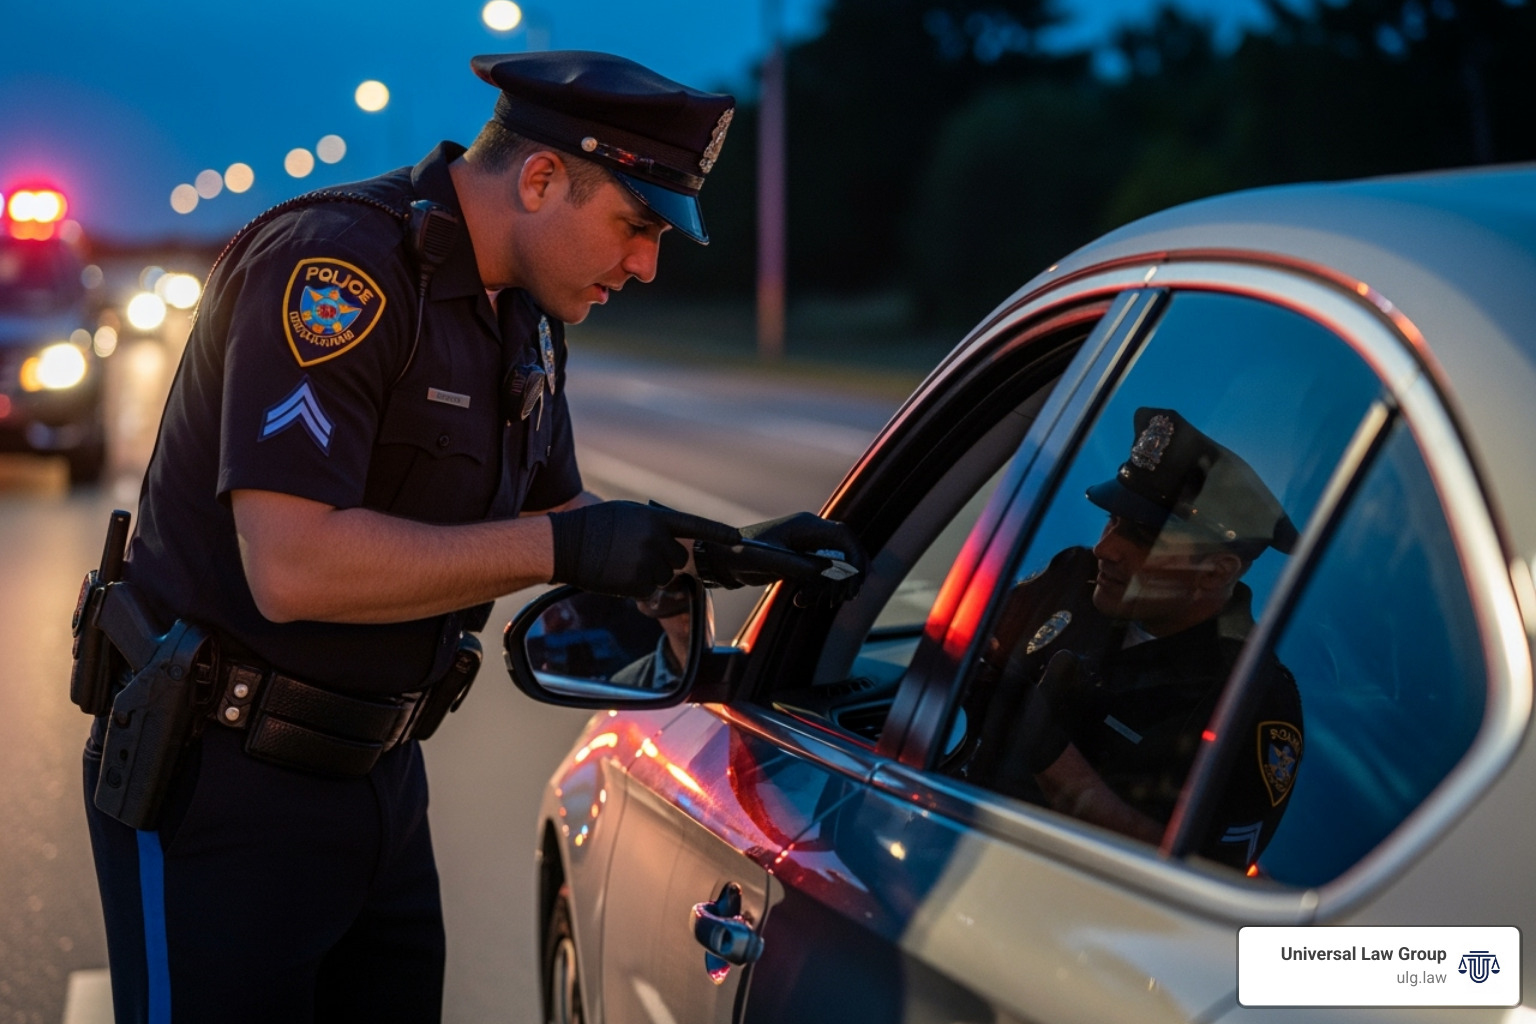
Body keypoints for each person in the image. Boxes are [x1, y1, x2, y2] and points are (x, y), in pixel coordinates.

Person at [80, 51, 861, 1022]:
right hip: (221, 782)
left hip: (381, 779)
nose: (646, 265)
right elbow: (291, 563)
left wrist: (721, 552)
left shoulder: (525, 315)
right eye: (637, 225)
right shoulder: (338, 269)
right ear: (540, 179)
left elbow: (562, 517)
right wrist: (563, 552)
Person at [960, 407, 1303, 870]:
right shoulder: (1071, 579)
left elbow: (1204, 877)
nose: (1106, 549)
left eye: (1144, 537)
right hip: (955, 847)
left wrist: (1053, 756)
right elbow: (963, 654)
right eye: (1113, 520)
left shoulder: (1249, 699)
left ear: (1215, 572)